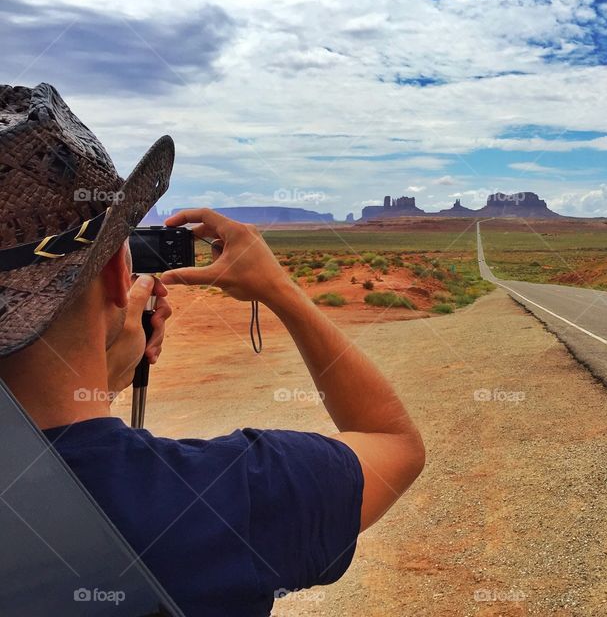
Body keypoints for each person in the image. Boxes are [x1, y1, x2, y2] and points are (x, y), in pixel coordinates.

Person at [0, 84, 425, 616]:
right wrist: (279, 290)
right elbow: (395, 445)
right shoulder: (238, 495)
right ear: (117, 272)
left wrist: (92, 382)